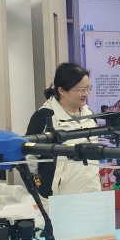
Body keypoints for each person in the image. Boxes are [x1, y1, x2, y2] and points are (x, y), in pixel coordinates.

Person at [24, 62, 102, 197]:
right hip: (58, 196)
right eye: (80, 90)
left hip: (91, 193)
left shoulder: (89, 114)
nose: (86, 93)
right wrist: (38, 192)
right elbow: (29, 158)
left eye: (88, 88)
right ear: (62, 91)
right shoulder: (45, 116)